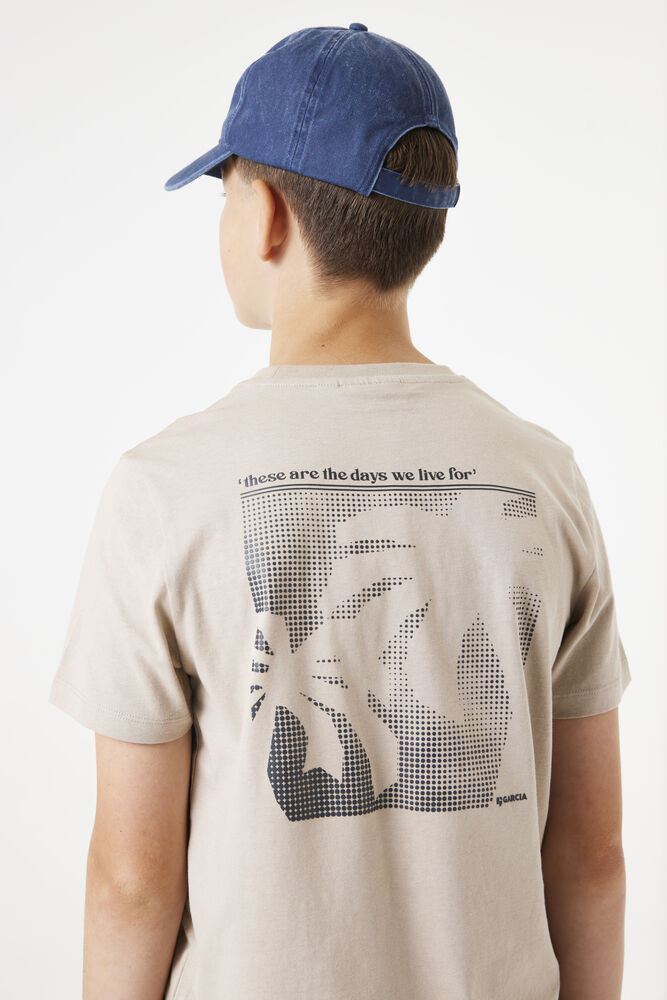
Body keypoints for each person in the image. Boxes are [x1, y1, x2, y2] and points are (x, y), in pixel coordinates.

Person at [48, 22, 631, 1000]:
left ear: (268, 216)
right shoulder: (542, 477)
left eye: (225, 192)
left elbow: (130, 880)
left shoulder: (164, 487)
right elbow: (590, 854)